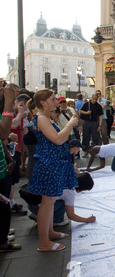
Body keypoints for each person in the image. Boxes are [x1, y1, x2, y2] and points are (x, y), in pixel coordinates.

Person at [27, 89, 79, 252]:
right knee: (47, 203)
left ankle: (49, 232)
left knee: (49, 202)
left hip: (52, 162)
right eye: (52, 99)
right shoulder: (42, 118)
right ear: (43, 102)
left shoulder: (44, 118)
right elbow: (57, 139)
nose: (56, 101)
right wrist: (70, 124)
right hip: (49, 164)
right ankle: (44, 242)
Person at [0, 83, 22, 253]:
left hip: (3, 166)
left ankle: (3, 236)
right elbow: (3, 133)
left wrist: (8, 157)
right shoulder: (6, 105)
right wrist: (8, 102)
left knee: (4, 206)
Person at [28, 172, 96, 226]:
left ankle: (41, 216)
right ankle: (55, 220)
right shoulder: (69, 191)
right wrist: (86, 220)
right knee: (64, 203)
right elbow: (71, 215)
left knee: (59, 199)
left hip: (32, 200)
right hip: (38, 206)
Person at [8, 93, 30, 215]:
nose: (26, 109)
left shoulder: (18, 114)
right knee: (10, 179)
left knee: (12, 180)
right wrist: (21, 113)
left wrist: (24, 130)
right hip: (11, 149)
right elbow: (13, 124)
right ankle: (10, 203)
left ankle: (11, 202)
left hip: (16, 147)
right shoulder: (11, 113)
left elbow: (19, 126)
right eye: (24, 106)